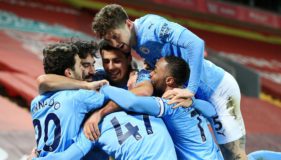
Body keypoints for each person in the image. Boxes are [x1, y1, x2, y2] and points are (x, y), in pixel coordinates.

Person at [92, 4, 246, 159]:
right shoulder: (135, 42)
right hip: (195, 95)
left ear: (128, 24)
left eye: (115, 36)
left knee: (234, 155)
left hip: (218, 90)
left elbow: (196, 43)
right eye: (108, 40)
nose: (114, 43)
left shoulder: (152, 27)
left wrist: (191, 90)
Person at [30, 41, 177, 160]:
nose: (92, 71)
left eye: (116, 61)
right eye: (84, 65)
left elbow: (141, 94)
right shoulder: (88, 89)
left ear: (128, 60)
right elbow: (43, 80)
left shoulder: (35, 102)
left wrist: (99, 114)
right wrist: (87, 85)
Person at [94, 56, 222, 160]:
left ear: (169, 81)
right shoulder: (185, 96)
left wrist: (103, 87)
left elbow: (132, 102)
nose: (150, 75)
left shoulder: (170, 103)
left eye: (155, 71)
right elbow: (211, 111)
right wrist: (194, 102)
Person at [30, 42, 107, 157]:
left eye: (93, 65)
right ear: (69, 72)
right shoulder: (80, 96)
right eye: (82, 65)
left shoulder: (35, 102)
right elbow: (117, 99)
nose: (87, 70)